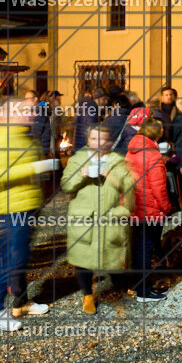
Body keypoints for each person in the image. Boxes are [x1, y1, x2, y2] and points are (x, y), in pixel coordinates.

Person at [0, 97, 54, 331]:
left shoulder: (25, 135)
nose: (32, 114)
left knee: (14, 261)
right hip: (7, 210)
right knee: (9, 262)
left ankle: (20, 303)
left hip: (25, 208)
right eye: (25, 111)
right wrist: (35, 168)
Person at [61, 123, 134, 313]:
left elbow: (129, 187)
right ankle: (87, 295)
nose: (98, 142)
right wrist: (80, 175)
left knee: (112, 253)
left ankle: (119, 289)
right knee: (83, 257)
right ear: (88, 140)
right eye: (94, 138)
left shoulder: (117, 161)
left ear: (109, 141)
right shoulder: (77, 160)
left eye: (102, 138)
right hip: (84, 217)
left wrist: (109, 174)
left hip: (110, 216)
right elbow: (66, 186)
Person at [124, 118, 171, 302]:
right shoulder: (153, 155)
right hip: (150, 210)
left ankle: (136, 285)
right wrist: (166, 207)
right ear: (157, 134)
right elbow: (159, 188)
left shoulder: (131, 149)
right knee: (145, 248)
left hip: (134, 206)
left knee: (137, 248)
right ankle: (144, 291)